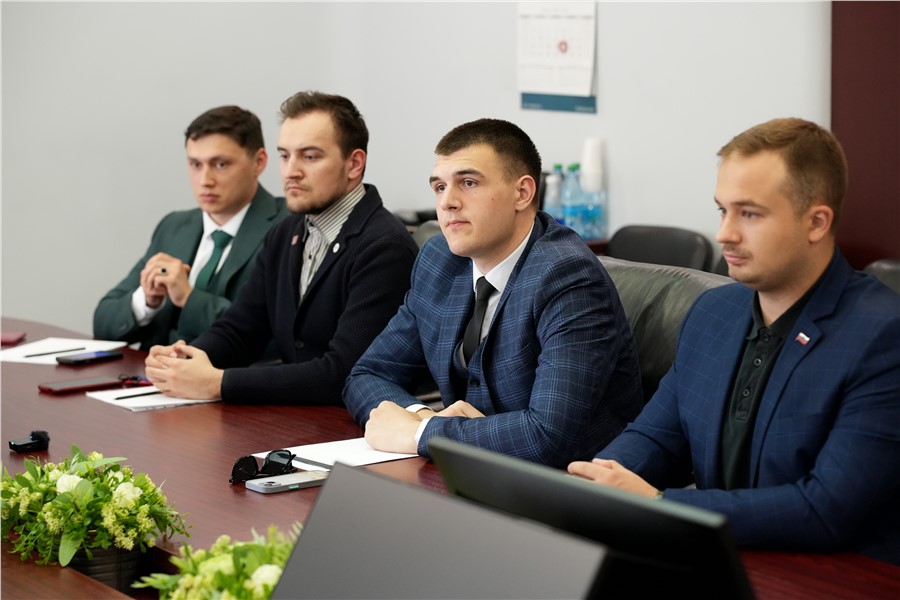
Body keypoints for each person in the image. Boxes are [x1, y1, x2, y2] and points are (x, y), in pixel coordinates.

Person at [568, 118, 900, 565]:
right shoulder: (713, 312)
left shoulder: (882, 335)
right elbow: (657, 437)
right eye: (722, 210)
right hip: (722, 559)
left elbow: (828, 510)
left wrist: (660, 505)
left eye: (750, 214)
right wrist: (596, 484)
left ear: (816, 222)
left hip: (835, 575)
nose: (725, 233)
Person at [344, 118, 644, 468]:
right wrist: (421, 416)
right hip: (473, 473)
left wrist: (421, 434)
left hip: (568, 485)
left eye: (468, 183)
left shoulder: (568, 276)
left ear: (522, 193)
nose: (448, 202)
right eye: (439, 187)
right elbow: (367, 375)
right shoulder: (439, 261)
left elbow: (547, 437)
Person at [143, 91, 419, 405]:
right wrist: (183, 359)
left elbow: (344, 373)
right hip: (294, 416)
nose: (290, 171)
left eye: (310, 157)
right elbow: (241, 329)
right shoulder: (286, 232)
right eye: (285, 156)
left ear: (354, 164)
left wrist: (219, 383)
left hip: (351, 424)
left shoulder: (384, 247)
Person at [93, 106, 288, 350]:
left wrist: (189, 297)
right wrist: (147, 301)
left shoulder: (289, 227)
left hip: (227, 374)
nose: (205, 180)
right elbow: (103, 323)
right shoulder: (174, 226)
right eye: (195, 164)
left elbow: (277, 338)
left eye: (221, 164)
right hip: (150, 371)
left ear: (258, 162)